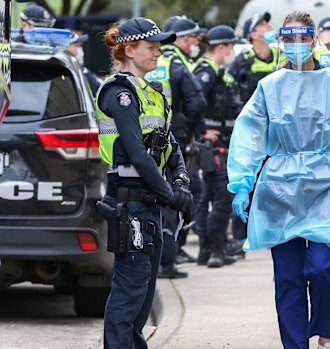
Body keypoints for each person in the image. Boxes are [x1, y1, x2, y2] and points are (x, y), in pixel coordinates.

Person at [227, 10, 330, 349]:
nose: (295, 45)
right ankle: (295, 345)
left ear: (313, 39)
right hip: (280, 190)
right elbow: (249, 135)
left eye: (301, 38)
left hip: (328, 188)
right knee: (288, 278)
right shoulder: (269, 87)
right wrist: (241, 182)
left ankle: (324, 332)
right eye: (289, 38)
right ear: (282, 41)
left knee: (324, 269)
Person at [95, 17, 193, 348]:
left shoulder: (151, 93)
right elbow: (137, 153)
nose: (157, 54)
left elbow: (171, 143)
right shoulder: (118, 93)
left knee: (144, 294)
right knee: (129, 294)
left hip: (148, 205)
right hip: (130, 204)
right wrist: (170, 195)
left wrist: (180, 178)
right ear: (129, 49)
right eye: (151, 48)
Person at [146, 16, 206, 278]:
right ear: (182, 38)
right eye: (193, 37)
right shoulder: (177, 63)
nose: (195, 43)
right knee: (177, 195)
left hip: (141, 142)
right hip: (171, 140)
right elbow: (198, 101)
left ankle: (161, 255)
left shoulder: (150, 60)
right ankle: (167, 260)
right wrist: (187, 130)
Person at [227, 12, 284, 257]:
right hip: (253, 131)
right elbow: (229, 93)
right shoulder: (243, 60)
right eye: (262, 25)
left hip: (280, 131)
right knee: (246, 183)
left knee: (277, 183)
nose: (269, 27)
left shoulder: (280, 58)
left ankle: (275, 231)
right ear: (252, 34)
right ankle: (239, 237)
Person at [193, 25, 242, 267]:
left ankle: (210, 248)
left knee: (210, 196)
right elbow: (192, 103)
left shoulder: (217, 70)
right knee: (221, 197)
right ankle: (214, 249)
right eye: (231, 46)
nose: (232, 51)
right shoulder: (206, 71)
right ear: (222, 47)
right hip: (213, 146)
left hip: (222, 142)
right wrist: (202, 131)